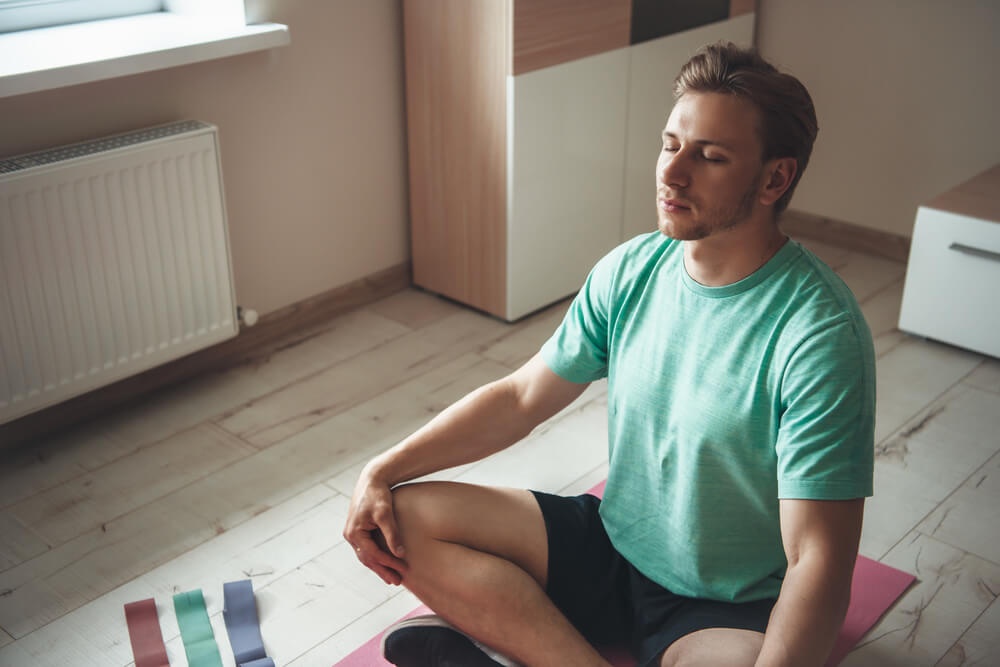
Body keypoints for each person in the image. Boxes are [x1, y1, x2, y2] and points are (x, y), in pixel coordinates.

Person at [343, 42, 874, 667]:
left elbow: (818, 559)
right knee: (402, 517)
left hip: (722, 605)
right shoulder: (630, 270)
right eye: (671, 144)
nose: (673, 173)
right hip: (611, 544)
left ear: (774, 179)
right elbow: (520, 398)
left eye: (710, 157)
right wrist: (381, 469)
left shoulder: (818, 333)